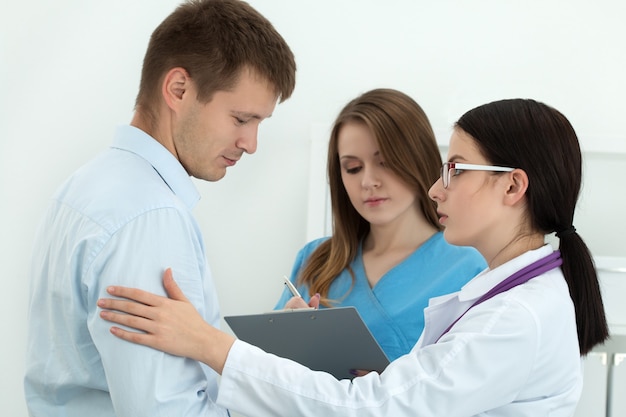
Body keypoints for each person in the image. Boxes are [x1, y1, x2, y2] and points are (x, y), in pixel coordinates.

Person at [98, 98, 609, 416]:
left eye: (455, 169)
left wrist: (209, 343)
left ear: (513, 185)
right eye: (351, 166)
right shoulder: (513, 300)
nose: (437, 188)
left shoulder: (514, 317)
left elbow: (368, 409)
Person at [24, 0, 295, 416]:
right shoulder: (150, 217)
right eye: (241, 119)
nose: (251, 143)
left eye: (260, 123)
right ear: (178, 89)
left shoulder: (84, 186)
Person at [275, 88, 486, 361]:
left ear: (418, 159)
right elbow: (271, 370)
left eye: (384, 162)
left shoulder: (471, 266)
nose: (368, 182)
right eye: (352, 168)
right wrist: (284, 337)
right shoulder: (315, 259)